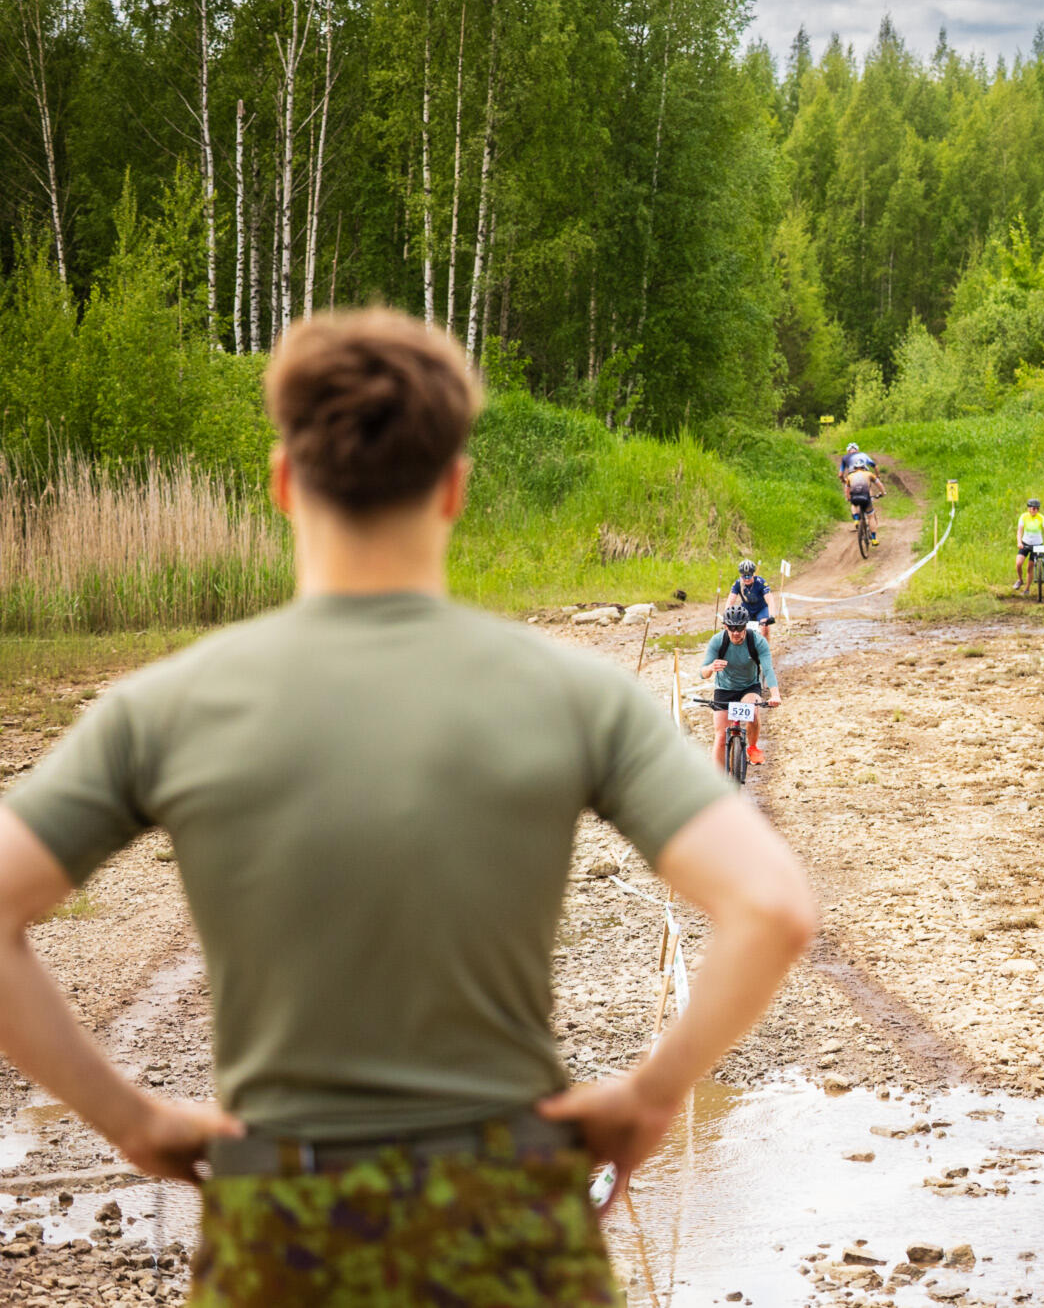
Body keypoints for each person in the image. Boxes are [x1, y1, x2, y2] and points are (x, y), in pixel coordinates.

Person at [0, 309, 819, 1306]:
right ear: (454, 489)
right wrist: (651, 1096)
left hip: (279, 1223)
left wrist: (129, 1118)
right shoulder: (572, 696)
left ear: (283, 482)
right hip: (508, 1212)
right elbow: (771, 906)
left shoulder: (166, 707)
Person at [702, 603, 780, 765]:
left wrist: (775, 695)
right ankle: (719, 778)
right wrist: (710, 668)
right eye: (732, 628)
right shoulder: (717, 641)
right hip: (724, 688)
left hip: (749, 687)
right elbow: (702, 673)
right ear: (725, 626)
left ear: (746, 626)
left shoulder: (757, 641)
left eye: (740, 628)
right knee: (721, 736)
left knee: (753, 712)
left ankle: (752, 747)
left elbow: (768, 669)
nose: (736, 632)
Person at [725, 560, 777, 641]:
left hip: (761, 609)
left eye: (749, 576)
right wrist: (726, 616)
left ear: (753, 574)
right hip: (746, 609)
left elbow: (770, 600)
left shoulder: (761, 582)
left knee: (765, 627)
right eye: (744, 576)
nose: (746, 579)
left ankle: (765, 646)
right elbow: (730, 601)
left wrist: (772, 615)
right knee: (740, 630)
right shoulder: (738, 583)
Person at [1013, 497, 1044, 592]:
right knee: (1018, 563)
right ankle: (1020, 580)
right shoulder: (1024, 516)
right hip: (1025, 543)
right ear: (1028, 508)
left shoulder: (1041, 518)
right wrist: (1019, 542)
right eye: (1033, 508)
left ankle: (1027, 589)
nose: (1035, 510)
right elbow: (1019, 531)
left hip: (1037, 545)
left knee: (1030, 567)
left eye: (1037, 508)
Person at [845, 462, 884, 547]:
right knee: (871, 517)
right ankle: (873, 539)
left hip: (855, 498)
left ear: (854, 468)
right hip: (866, 498)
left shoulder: (850, 476)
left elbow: (847, 490)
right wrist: (882, 493)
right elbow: (879, 484)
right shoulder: (869, 474)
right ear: (864, 467)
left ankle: (856, 519)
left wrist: (848, 498)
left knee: (853, 504)